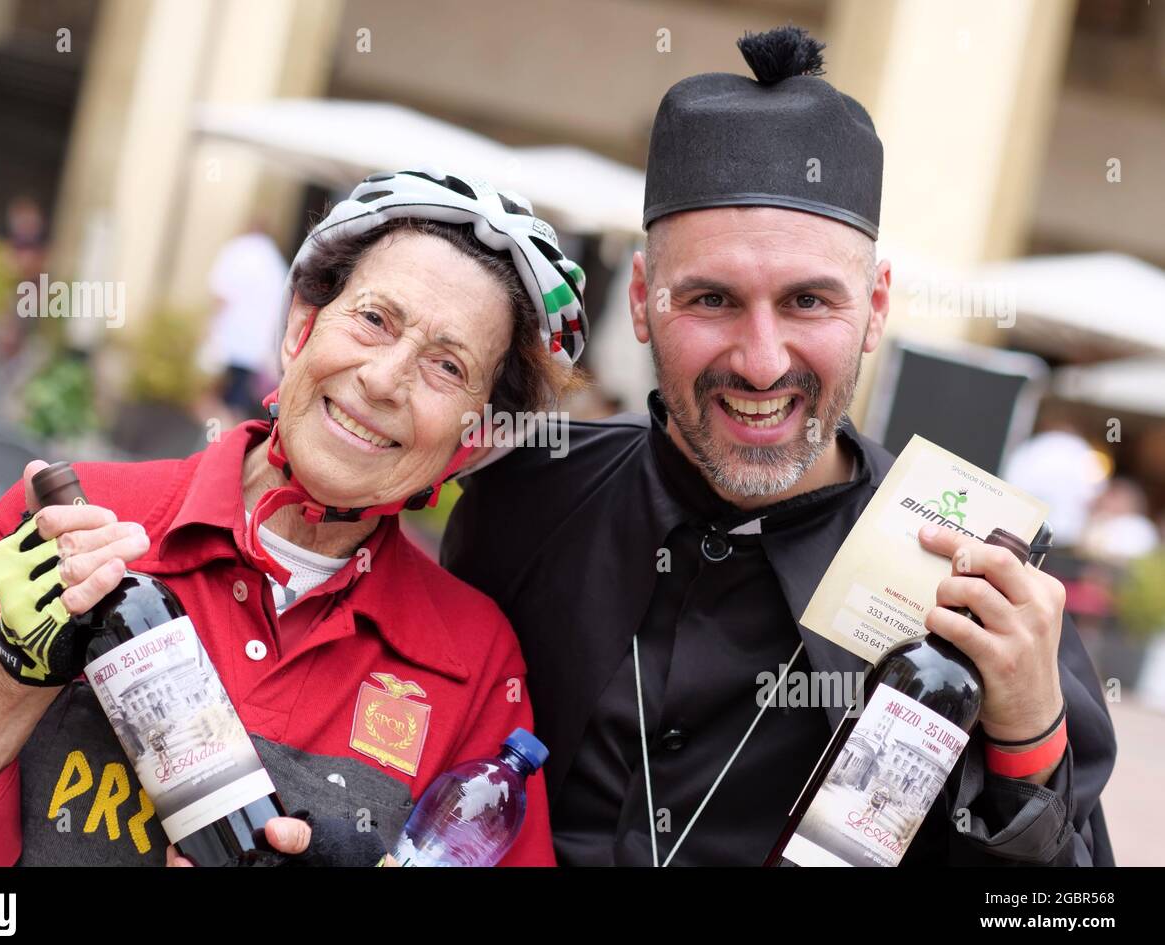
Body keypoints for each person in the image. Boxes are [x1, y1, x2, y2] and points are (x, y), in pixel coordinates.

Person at [442, 26, 1116, 866]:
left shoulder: (984, 586)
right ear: (645, 298)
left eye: (807, 301)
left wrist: (1030, 740)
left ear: (875, 308)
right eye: (713, 298)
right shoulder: (526, 495)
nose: (761, 363)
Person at [0, 169, 587, 866]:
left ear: (475, 436)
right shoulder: (76, 523)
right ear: (302, 325)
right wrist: (11, 678)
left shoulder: (476, 660)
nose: (383, 379)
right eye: (373, 319)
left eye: (447, 367)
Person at [197, 222, 291, 421]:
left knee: (209, 398)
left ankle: (213, 440)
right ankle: (225, 441)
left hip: (226, 341)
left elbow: (221, 295)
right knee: (235, 404)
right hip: (253, 349)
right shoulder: (276, 264)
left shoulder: (237, 251)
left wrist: (208, 329)